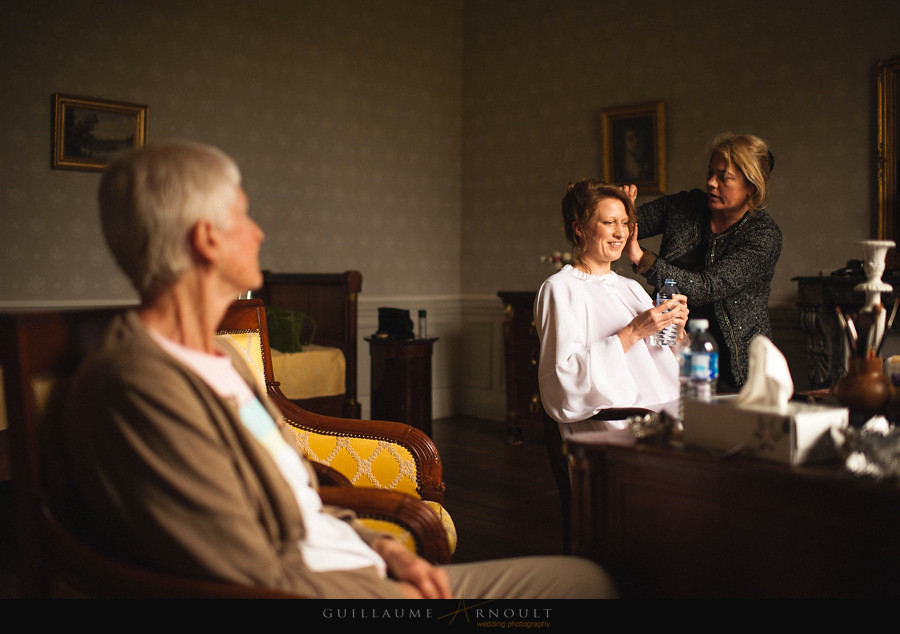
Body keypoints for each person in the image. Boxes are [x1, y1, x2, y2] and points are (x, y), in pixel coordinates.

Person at [49, 140, 616, 599]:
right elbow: (244, 568)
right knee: (586, 587)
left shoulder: (220, 359)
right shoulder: (136, 384)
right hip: (333, 596)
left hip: (362, 564)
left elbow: (291, 494)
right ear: (206, 239)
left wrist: (383, 546)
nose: (259, 232)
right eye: (245, 215)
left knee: (587, 581)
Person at [623, 133, 782, 392]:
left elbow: (706, 287)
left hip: (734, 366)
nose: (711, 183)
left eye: (724, 177)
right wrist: (622, 208)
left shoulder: (763, 234)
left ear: (751, 187)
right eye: (711, 173)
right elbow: (630, 223)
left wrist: (643, 259)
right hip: (670, 349)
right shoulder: (685, 205)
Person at [535, 179, 689, 428]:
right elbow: (563, 380)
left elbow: (666, 363)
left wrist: (677, 332)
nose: (621, 233)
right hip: (621, 426)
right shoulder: (560, 288)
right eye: (609, 223)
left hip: (671, 412)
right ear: (579, 228)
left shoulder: (631, 287)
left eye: (625, 223)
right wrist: (633, 332)